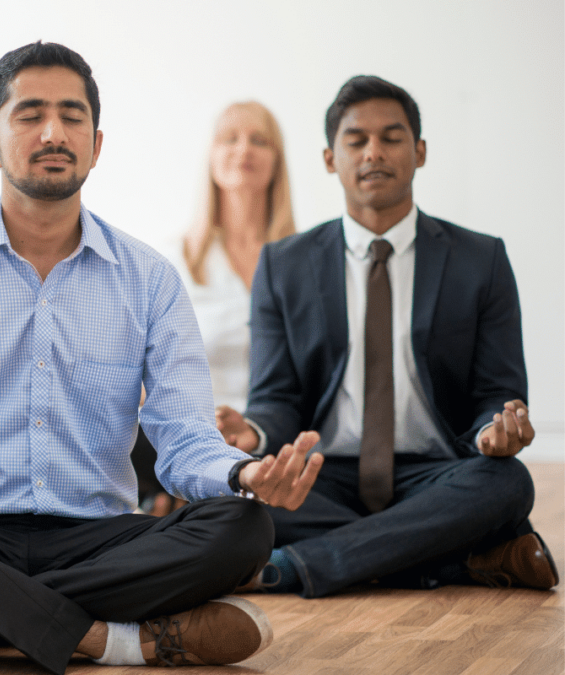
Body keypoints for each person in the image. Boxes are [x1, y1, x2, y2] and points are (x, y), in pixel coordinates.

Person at [0, 41, 323, 675]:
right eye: (29, 114)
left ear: (96, 143)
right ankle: (110, 640)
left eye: (72, 115)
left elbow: (184, 436)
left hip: (97, 539)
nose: (54, 132)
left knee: (245, 528)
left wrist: (244, 474)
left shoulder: (149, 278)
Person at [218, 75, 558, 598]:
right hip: (322, 477)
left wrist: (496, 430)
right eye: (356, 140)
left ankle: (297, 566)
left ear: (419, 152)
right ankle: (453, 561)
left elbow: (499, 389)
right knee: (230, 502)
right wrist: (255, 435)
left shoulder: (480, 260)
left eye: (392, 137)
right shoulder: (283, 266)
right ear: (331, 158)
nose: (374, 152)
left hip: (436, 474)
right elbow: (277, 398)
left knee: (508, 482)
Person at [135, 101, 296, 515]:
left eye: (259, 140)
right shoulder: (171, 262)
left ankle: (194, 516)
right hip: (192, 439)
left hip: (276, 438)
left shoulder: (306, 262)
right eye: (230, 138)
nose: (244, 149)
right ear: (211, 157)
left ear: (277, 160)